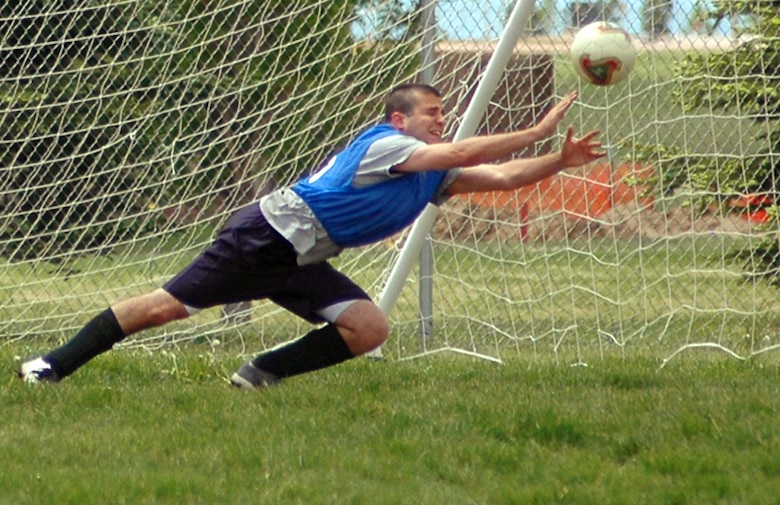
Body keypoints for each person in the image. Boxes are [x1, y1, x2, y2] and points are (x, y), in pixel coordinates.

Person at [18, 83, 605, 389]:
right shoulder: (387, 145)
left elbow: (500, 176)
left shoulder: (431, 171)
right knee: (166, 308)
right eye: (430, 112)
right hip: (267, 237)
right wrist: (536, 128)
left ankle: (259, 375)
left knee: (368, 328)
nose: (439, 120)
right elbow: (459, 151)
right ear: (399, 120)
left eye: (441, 113)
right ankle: (49, 366)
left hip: (304, 255)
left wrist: (559, 158)